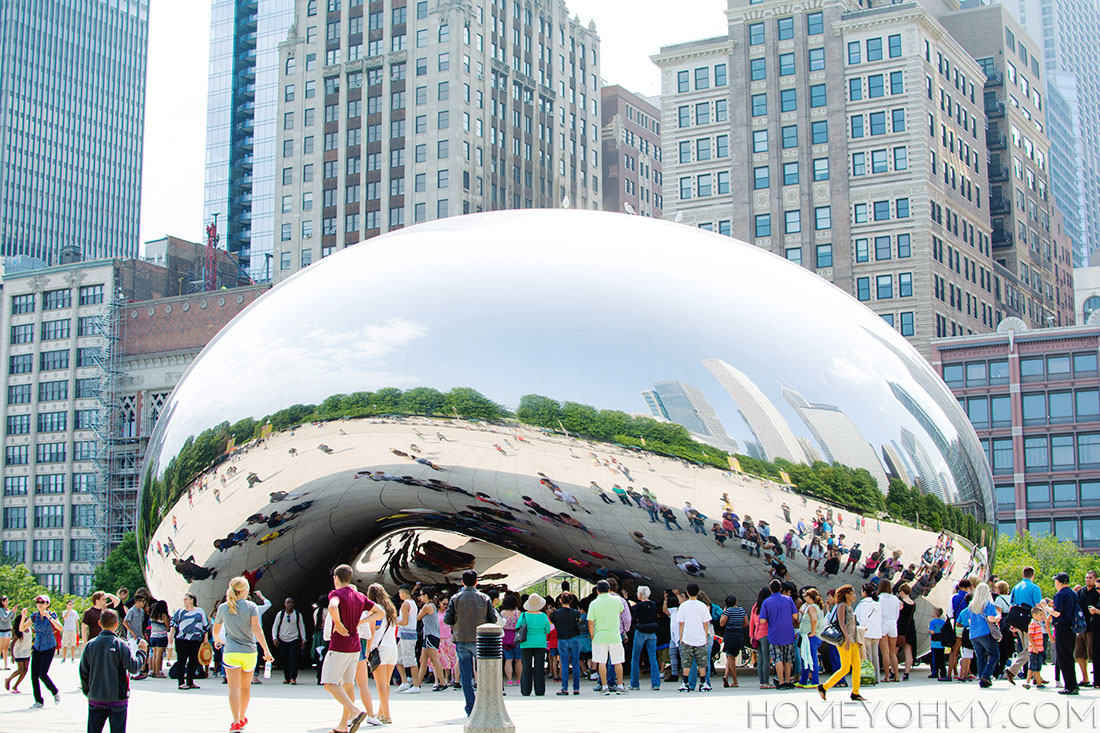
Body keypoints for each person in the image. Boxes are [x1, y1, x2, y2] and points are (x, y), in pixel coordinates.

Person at [322, 565, 382, 732]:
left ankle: (354, 712)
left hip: (339, 646)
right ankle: (342, 726)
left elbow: (333, 606)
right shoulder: (359, 596)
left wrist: (339, 624)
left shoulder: (336, 594)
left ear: (336, 578)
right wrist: (360, 623)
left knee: (329, 683)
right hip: (355, 647)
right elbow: (379, 613)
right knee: (348, 685)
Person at [213, 576, 275, 732]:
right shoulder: (251, 606)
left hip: (231, 652)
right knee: (245, 688)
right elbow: (257, 629)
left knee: (233, 687)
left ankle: (235, 721)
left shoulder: (223, 608)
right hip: (249, 652)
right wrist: (266, 651)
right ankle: (242, 716)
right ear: (245, 590)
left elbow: (216, 629)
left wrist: (217, 640)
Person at [79, 609, 148, 733]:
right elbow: (134, 667)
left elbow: (83, 671)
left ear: (99, 623)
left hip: (96, 698)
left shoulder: (90, 645)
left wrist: (89, 691)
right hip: (117, 699)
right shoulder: (121, 645)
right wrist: (142, 651)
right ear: (116, 624)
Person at [442, 569, 498, 716]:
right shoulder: (484, 598)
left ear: (462, 582)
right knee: (483, 672)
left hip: (461, 638)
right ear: (476, 582)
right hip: (480, 639)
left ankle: (470, 707)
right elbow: (493, 619)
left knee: (466, 674)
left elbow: (447, 619)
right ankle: (484, 704)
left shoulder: (455, 598)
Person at [817, 584, 865, 701]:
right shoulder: (841, 606)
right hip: (845, 641)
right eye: (852, 594)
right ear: (846, 595)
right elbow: (841, 622)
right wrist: (847, 638)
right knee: (845, 668)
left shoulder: (849, 607)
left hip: (853, 641)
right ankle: (824, 687)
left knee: (857, 667)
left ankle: (855, 692)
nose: (854, 596)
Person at [23, 594, 63, 709]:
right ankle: (38, 701)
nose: (40, 604)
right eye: (38, 602)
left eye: (42, 602)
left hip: (49, 647)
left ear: (47, 604)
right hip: (37, 647)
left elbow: (60, 628)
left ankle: (55, 692)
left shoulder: (51, 615)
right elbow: (22, 628)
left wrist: (50, 618)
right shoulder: (34, 616)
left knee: (42, 673)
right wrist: (23, 616)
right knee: (34, 675)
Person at [366, 584, 398, 724]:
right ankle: (381, 712)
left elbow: (373, 630)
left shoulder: (376, 610)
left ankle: (386, 715)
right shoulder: (391, 609)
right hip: (392, 648)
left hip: (380, 649)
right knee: (386, 684)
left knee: (381, 685)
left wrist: (368, 650)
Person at [759, 579, 799, 689]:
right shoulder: (789, 599)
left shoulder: (766, 602)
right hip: (788, 633)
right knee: (788, 658)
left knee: (778, 658)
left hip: (774, 633)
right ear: (781, 589)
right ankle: (787, 680)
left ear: (770, 589)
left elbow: (762, 620)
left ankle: (781, 682)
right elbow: (795, 616)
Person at [588, 580, 626, 695]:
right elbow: (621, 610)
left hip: (600, 636)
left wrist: (593, 636)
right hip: (614, 635)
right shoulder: (617, 601)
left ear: (597, 591)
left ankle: (604, 686)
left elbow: (590, 623)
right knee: (617, 662)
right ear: (609, 589)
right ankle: (619, 685)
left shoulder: (593, 604)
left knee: (602, 662)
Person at [676, 583, 712, 693]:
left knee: (687, 661)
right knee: (702, 661)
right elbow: (706, 623)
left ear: (687, 592)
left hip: (687, 637)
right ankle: (703, 683)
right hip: (700, 637)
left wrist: (681, 637)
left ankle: (685, 683)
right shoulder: (702, 606)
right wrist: (705, 636)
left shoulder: (683, 606)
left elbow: (681, 623)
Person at [169, 592, 209, 690]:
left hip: (196, 639)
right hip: (182, 639)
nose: (184, 601)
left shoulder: (199, 611)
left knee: (193, 660)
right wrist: (170, 636)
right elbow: (174, 624)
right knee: (182, 660)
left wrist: (205, 638)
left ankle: (190, 681)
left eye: (186, 599)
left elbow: (205, 625)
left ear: (192, 600)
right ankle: (181, 682)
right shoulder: (180, 612)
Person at [1049, 572, 1080, 694]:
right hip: (1072, 627)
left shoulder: (1060, 594)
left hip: (1062, 627)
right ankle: (1073, 683)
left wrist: (1046, 607)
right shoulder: (1073, 593)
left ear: (1058, 582)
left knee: (1063, 657)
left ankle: (1070, 686)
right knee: (1069, 656)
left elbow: (1057, 613)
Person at [966, 582, 1001, 688]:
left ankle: (982, 679)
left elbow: (969, 621)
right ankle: (986, 675)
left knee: (980, 657)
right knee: (994, 654)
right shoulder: (988, 604)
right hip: (985, 632)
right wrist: (998, 617)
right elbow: (991, 619)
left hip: (974, 634)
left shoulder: (971, 605)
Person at [515, 593, 550, 696]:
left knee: (526, 666)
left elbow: (518, 627)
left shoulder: (523, 615)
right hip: (540, 643)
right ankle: (540, 690)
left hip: (526, 643)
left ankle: (526, 690)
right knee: (539, 666)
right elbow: (547, 630)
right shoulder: (543, 616)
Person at [411, 588, 443, 693]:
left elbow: (418, 618)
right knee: (423, 659)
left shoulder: (427, 606)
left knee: (434, 659)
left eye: (421, 595)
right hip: (428, 635)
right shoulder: (431, 605)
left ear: (426, 595)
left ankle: (443, 682)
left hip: (431, 635)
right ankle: (417, 684)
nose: (420, 597)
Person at [629, 586, 660, 691]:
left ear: (640, 595)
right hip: (651, 631)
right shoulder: (653, 604)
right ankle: (656, 683)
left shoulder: (638, 606)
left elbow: (633, 619)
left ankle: (634, 683)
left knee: (636, 657)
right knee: (653, 657)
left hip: (641, 630)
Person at [552, 592, 583, 695]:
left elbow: (555, 624)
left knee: (564, 664)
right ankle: (576, 688)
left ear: (560, 601)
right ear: (571, 601)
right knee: (575, 664)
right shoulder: (575, 613)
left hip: (562, 640)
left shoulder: (556, 613)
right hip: (575, 639)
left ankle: (564, 688)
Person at [272, 597, 307, 685]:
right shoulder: (281, 614)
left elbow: (301, 627)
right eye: (288, 603)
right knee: (284, 659)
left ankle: (293, 678)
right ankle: (287, 677)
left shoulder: (297, 614)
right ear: (284, 604)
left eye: (291, 602)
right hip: (283, 639)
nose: (289, 604)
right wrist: (274, 638)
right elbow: (275, 626)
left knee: (293, 658)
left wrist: (304, 638)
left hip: (294, 638)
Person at [393, 585, 418, 693]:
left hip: (407, 634)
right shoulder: (413, 603)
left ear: (402, 593)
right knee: (398, 659)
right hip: (405, 634)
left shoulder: (406, 604)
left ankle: (416, 685)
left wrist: (394, 620)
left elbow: (404, 622)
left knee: (411, 660)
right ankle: (404, 682)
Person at [855, 583, 882, 682]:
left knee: (868, 655)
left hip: (866, 632)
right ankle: (877, 677)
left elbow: (859, 617)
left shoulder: (864, 603)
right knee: (875, 655)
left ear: (865, 592)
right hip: (877, 632)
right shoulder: (877, 603)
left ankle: (870, 675)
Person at [1077, 570, 1100, 687]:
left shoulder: (1097, 593)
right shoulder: (1081, 592)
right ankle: (1085, 678)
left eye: (1091, 577)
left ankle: (1097, 680)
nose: (1088, 579)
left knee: (1094, 654)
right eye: (1086, 577)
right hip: (1080, 627)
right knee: (1079, 654)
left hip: (1093, 628)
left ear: (1095, 579)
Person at [797, 588, 823, 688]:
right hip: (808, 636)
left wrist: (812, 632)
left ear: (810, 597)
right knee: (806, 658)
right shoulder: (813, 607)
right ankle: (803, 680)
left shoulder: (812, 607)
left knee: (811, 658)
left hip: (811, 636)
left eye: (806, 596)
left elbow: (814, 620)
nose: (804, 598)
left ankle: (815, 680)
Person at [719, 595, 746, 688]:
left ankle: (735, 681)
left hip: (730, 635)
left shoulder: (728, 611)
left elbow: (722, 623)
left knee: (731, 657)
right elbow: (746, 623)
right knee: (730, 657)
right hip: (739, 635)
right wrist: (738, 623)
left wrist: (723, 613)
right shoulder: (741, 610)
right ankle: (726, 676)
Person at [877, 579, 901, 682]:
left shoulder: (878, 598)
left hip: (883, 624)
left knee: (885, 652)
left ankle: (886, 676)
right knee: (892, 652)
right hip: (893, 625)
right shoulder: (895, 599)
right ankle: (897, 675)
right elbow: (897, 614)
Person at [121, 595, 148, 680]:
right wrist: (132, 632)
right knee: (133, 653)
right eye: (142, 601)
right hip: (133, 636)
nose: (144, 603)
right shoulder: (131, 611)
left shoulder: (141, 611)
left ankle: (138, 672)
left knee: (139, 652)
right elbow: (125, 622)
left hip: (139, 635)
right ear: (137, 602)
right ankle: (133, 674)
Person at [499, 593, 521, 686]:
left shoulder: (502, 613)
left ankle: (509, 680)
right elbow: (520, 625)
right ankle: (519, 680)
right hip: (516, 637)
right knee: (518, 660)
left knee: (508, 660)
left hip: (505, 638)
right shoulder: (518, 613)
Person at [5, 614, 30, 692]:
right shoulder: (19, 631)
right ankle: (8, 679)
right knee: (20, 669)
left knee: (25, 670)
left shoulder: (29, 628)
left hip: (27, 652)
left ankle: (15, 686)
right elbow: (12, 644)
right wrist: (12, 656)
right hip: (19, 652)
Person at [147, 600, 171, 677]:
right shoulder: (163, 616)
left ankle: (154, 671)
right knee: (159, 655)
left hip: (152, 636)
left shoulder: (152, 615)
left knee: (154, 655)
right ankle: (158, 672)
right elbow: (168, 627)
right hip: (161, 637)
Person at [928, 608, 947, 679]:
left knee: (934, 658)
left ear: (935, 614)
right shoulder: (943, 622)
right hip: (941, 643)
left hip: (934, 642)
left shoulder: (932, 622)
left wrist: (929, 631)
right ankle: (943, 672)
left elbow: (932, 632)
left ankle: (935, 672)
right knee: (941, 658)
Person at [0, 596, 14, 669]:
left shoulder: (7, 610)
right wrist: (11, 612)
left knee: (6, 648)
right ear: (2, 602)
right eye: (6, 601)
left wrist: (13, 612)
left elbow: (11, 619)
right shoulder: (0, 610)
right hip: (2, 631)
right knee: (1, 648)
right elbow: (4, 618)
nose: (7, 603)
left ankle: (6, 665)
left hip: (8, 630)